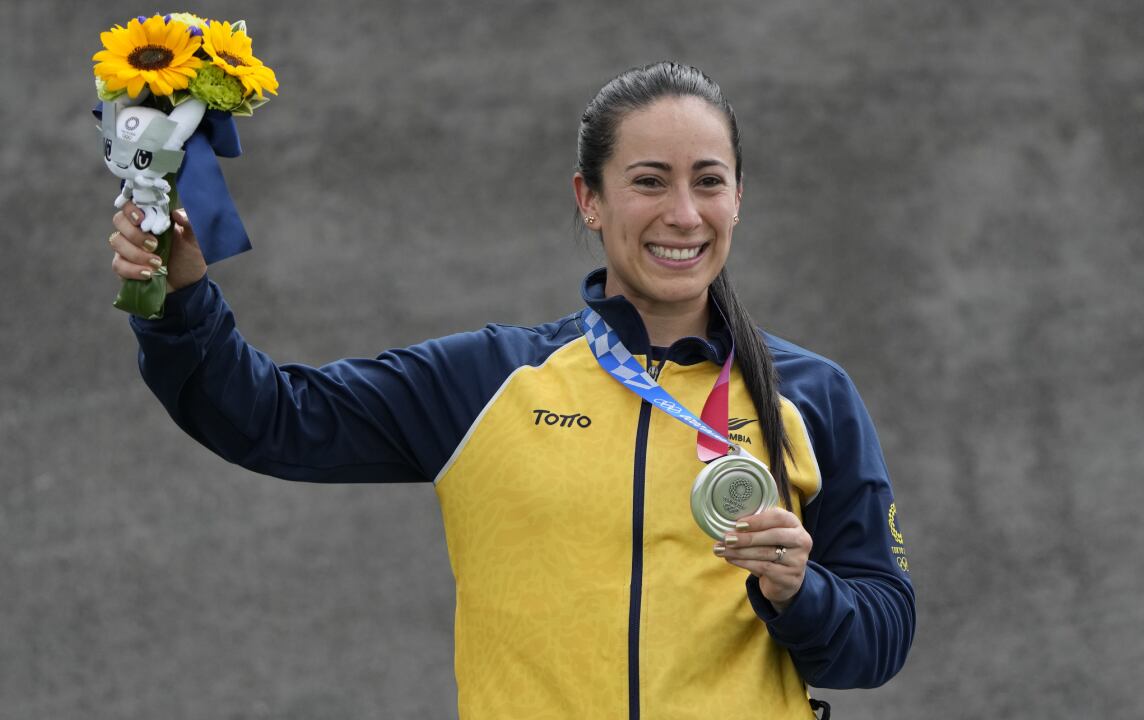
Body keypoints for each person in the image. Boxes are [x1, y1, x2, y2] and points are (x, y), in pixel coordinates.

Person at [106, 62, 914, 719]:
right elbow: (267, 418)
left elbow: (880, 638)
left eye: (709, 181)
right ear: (588, 200)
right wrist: (179, 299)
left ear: (739, 196)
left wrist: (800, 591)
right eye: (647, 181)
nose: (683, 213)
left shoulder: (812, 397)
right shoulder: (486, 383)